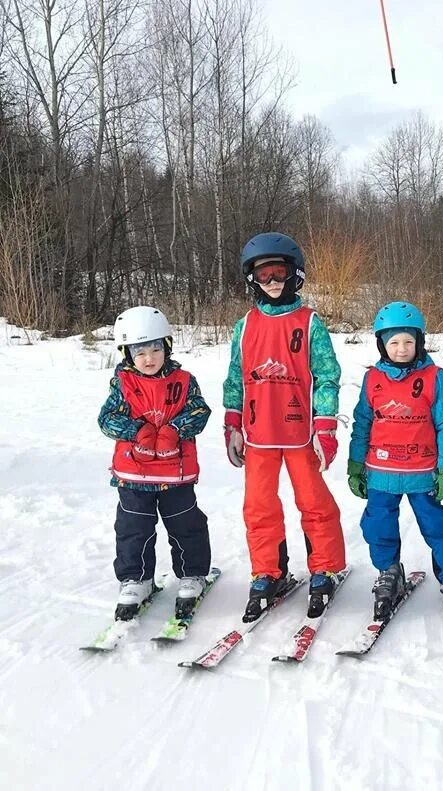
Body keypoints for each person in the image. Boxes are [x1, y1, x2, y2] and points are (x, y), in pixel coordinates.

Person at [223, 232, 346, 622]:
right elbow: (235, 379)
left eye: (280, 272)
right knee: (258, 507)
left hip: (300, 436)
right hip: (259, 435)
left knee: (313, 503)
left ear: (295, 275)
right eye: (264, 275)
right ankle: (268, 573)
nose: (273, 281)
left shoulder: (310, 323)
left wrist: (325, 428)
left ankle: (324, 567)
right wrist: (233, 425)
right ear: (252, 280)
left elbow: (327, 376)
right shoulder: (245, 326)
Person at [346, 301, 443, 624]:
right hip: (381, 472)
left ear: (419, 342)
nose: (402, 349)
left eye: (408, 342)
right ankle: (388, 570)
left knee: (438, 526)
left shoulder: (434, 377)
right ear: (382, 344)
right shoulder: (373, 379)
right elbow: (363, 422)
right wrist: (356, 464)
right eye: (394, 342)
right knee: (378, 524)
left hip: (422, 471)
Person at [99, 306, 212, 620]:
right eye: (139, 352)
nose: (149, 358)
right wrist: (137, 430)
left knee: (186, 525)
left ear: (167, 347)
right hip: (134, 476)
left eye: (155, 349)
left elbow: (200, 412)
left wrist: (175, 430)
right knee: (133, 529)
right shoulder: (122, 386)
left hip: (176, 474)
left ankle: (192, 574)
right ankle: (136, 578)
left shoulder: (184, 381)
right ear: (127, 354)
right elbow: (106, 419)